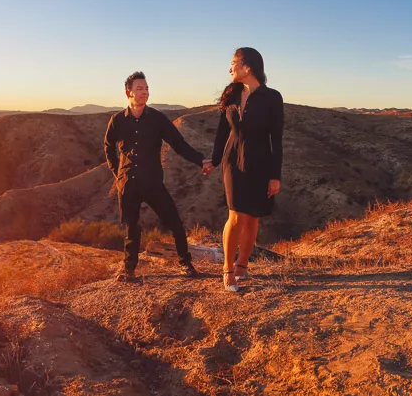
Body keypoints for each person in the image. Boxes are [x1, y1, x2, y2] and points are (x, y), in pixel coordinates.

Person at [104, 71, 211, 281]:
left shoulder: (157, 119)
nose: (145, 92)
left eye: (146, 88)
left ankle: (185, 264)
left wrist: (200, 160)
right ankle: (129, 270)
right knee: (131, 228)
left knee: (174, 222)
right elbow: (108, 147)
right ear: (129, 93)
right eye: (139, 89)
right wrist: (118, 173)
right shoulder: (117, 120)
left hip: (152, 181)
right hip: (128, 183)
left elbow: (178, 144)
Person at [207, 47, 284, 292]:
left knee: (253, 217)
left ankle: (243, 266)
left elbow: (277, 139)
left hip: (261, 161)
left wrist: (275, 176)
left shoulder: (272, 97)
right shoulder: (231, 94)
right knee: (236, 216)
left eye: (233, 63)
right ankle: (227, 269)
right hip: (233, 161)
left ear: (247, 67)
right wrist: (214, 160)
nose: (229, 69)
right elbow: (222, 132)